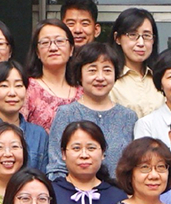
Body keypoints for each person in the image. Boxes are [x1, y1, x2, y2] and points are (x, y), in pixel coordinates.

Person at [47, 42, 139, 178]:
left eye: (107, 70)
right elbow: (56, 167)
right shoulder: (66, 114)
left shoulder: (128, 117)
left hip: (119, 190)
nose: (100, 77)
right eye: (92, 70)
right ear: (80, 75)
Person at [108, 8, 164, 118]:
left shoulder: (161, 76)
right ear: (117, 38)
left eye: (146, 35)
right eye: (133, 35)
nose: (141, 43)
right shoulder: (109, 78)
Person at [23, 20, 79, 130]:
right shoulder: (27, 89)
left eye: (60, 41)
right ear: (37, 52)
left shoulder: (83, 92)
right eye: (45, 42)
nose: (53, 48)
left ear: (71, 49)